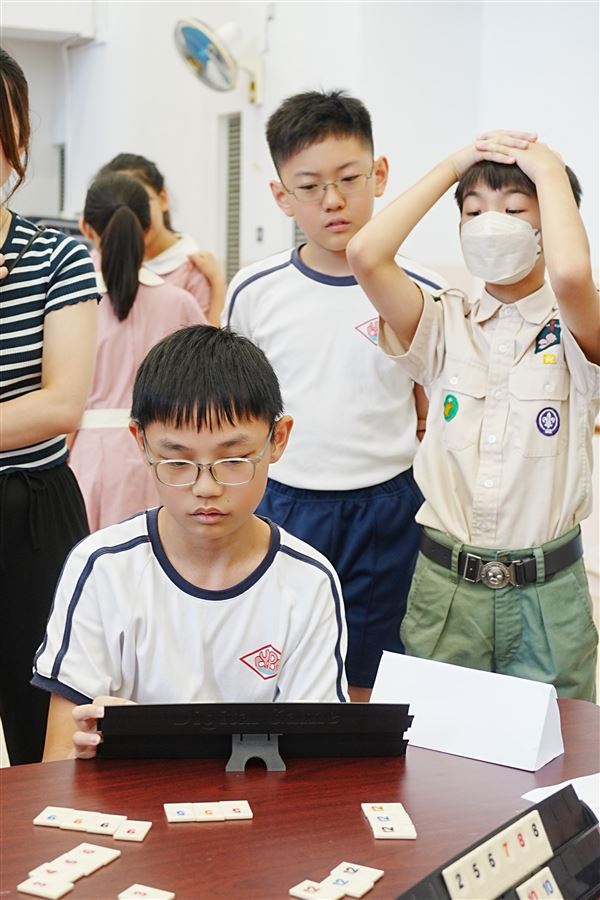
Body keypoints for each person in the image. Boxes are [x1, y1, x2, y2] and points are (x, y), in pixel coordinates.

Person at [347, 130, 600, 700]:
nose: (491, 223)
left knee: (555, 748)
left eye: (514, 209)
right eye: (474, 211)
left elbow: (570, 276)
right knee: (436, 745)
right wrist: (455, 163)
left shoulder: (574, 327)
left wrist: (549, 168)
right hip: (447, 589)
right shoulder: (443, 322)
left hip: (548, 594)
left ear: (549, 225)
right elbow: (366, 255)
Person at [33, 325, 349, 761]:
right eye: (177, 461)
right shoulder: (102, 567)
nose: (206, 487)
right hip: (127, 800)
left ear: (277, 439)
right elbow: (58, 757)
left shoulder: (307, 581)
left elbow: (315, 759)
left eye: (233, 459)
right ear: (141, 442)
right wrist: (82, 752)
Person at [222, 90, 445, 700]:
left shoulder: (421, 289)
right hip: (283, 503)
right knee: (272, 665)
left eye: (349, 179)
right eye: (310, 186)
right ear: (281, 195)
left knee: (372, 676)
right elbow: (235, 407)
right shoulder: (255, 290)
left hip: (387, 507)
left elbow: (432, 404)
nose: (333, 200)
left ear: (380, 174)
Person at [0, 47, 99, 764]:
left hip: (32, 512)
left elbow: (62, 404)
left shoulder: (56, 255)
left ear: (19, 144)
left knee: (44, 726)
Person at [70, 173, 206, 531]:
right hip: (167, 459)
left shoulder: (69, 303)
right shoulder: (180, 303)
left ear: (86, 228)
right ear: (147, 228)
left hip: (88, 456)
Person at [98, 153, 225, 324]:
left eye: (139, 202)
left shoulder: (193, 272)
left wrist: (218, 284)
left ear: (163, 198)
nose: (132, 218)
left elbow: (208, 339)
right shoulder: (96, 261)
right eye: (119, 207)